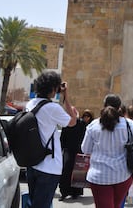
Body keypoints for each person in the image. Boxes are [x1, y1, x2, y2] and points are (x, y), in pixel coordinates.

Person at [25, 70, 77, 208]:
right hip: (49, 167)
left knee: (34, 203)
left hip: (32, 163)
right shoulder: (53, 108)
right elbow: (72, 122)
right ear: (54, 89)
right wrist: (66, 96)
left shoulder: (30, 104)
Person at [81, 94, 133, 208]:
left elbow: (85, 149)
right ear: (120, 107)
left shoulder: (93, 125)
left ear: (104, 106)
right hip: (122, 175)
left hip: (99, 176)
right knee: (116, 205)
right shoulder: (129, 124)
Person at [58, 107, 90, 201]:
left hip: (78, 150)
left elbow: (85, 136)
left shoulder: (82, 124)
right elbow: (63, 138)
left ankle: (75, 192)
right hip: (68, 150)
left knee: (78, 172)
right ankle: (64, 192)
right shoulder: (66, 124)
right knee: (66, 172)